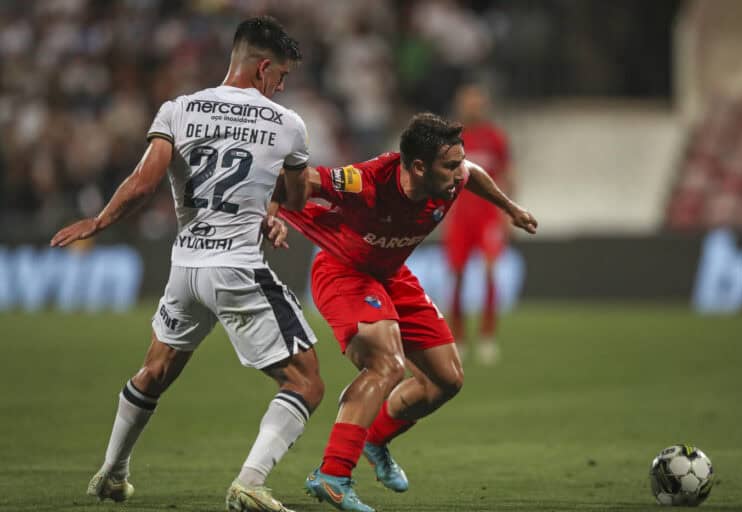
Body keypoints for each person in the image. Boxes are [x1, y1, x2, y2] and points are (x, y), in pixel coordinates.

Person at [50, 17, 324, 512]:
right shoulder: (287, 123)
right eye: (281, 76)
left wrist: (100, 220)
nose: (282, 86)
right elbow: (301, 197)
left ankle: (111, 473)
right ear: (264, 68)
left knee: (154, 371)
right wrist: (274, 209)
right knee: (306, 381)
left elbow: (142, 181)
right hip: (238, 269)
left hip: (185, 269)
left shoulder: (180, 110)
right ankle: (250, 481)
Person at [278, 113, 537, 512]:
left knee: (446, 379)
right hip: (342, 269)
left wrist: (510, 207)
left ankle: (375, 438)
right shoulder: (365, 181)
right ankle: (332, 475)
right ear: (418, 167)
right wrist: (268, 212)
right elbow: (299, 179)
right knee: (386, 364)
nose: (457, 174)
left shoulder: (452, 177)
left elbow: (474, 172)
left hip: (390, 273)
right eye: (449, 166)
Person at [442, 83, 514, 365]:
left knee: (489, 271)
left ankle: (487, 336)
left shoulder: (495, 138)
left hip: (487, 216)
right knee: (457, 275)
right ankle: (457, 337)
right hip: (460, 217)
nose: (472, 106)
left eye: (477, 102)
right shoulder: (450, 140)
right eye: (468, 102)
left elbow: (507, 175)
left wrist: (507, 212)